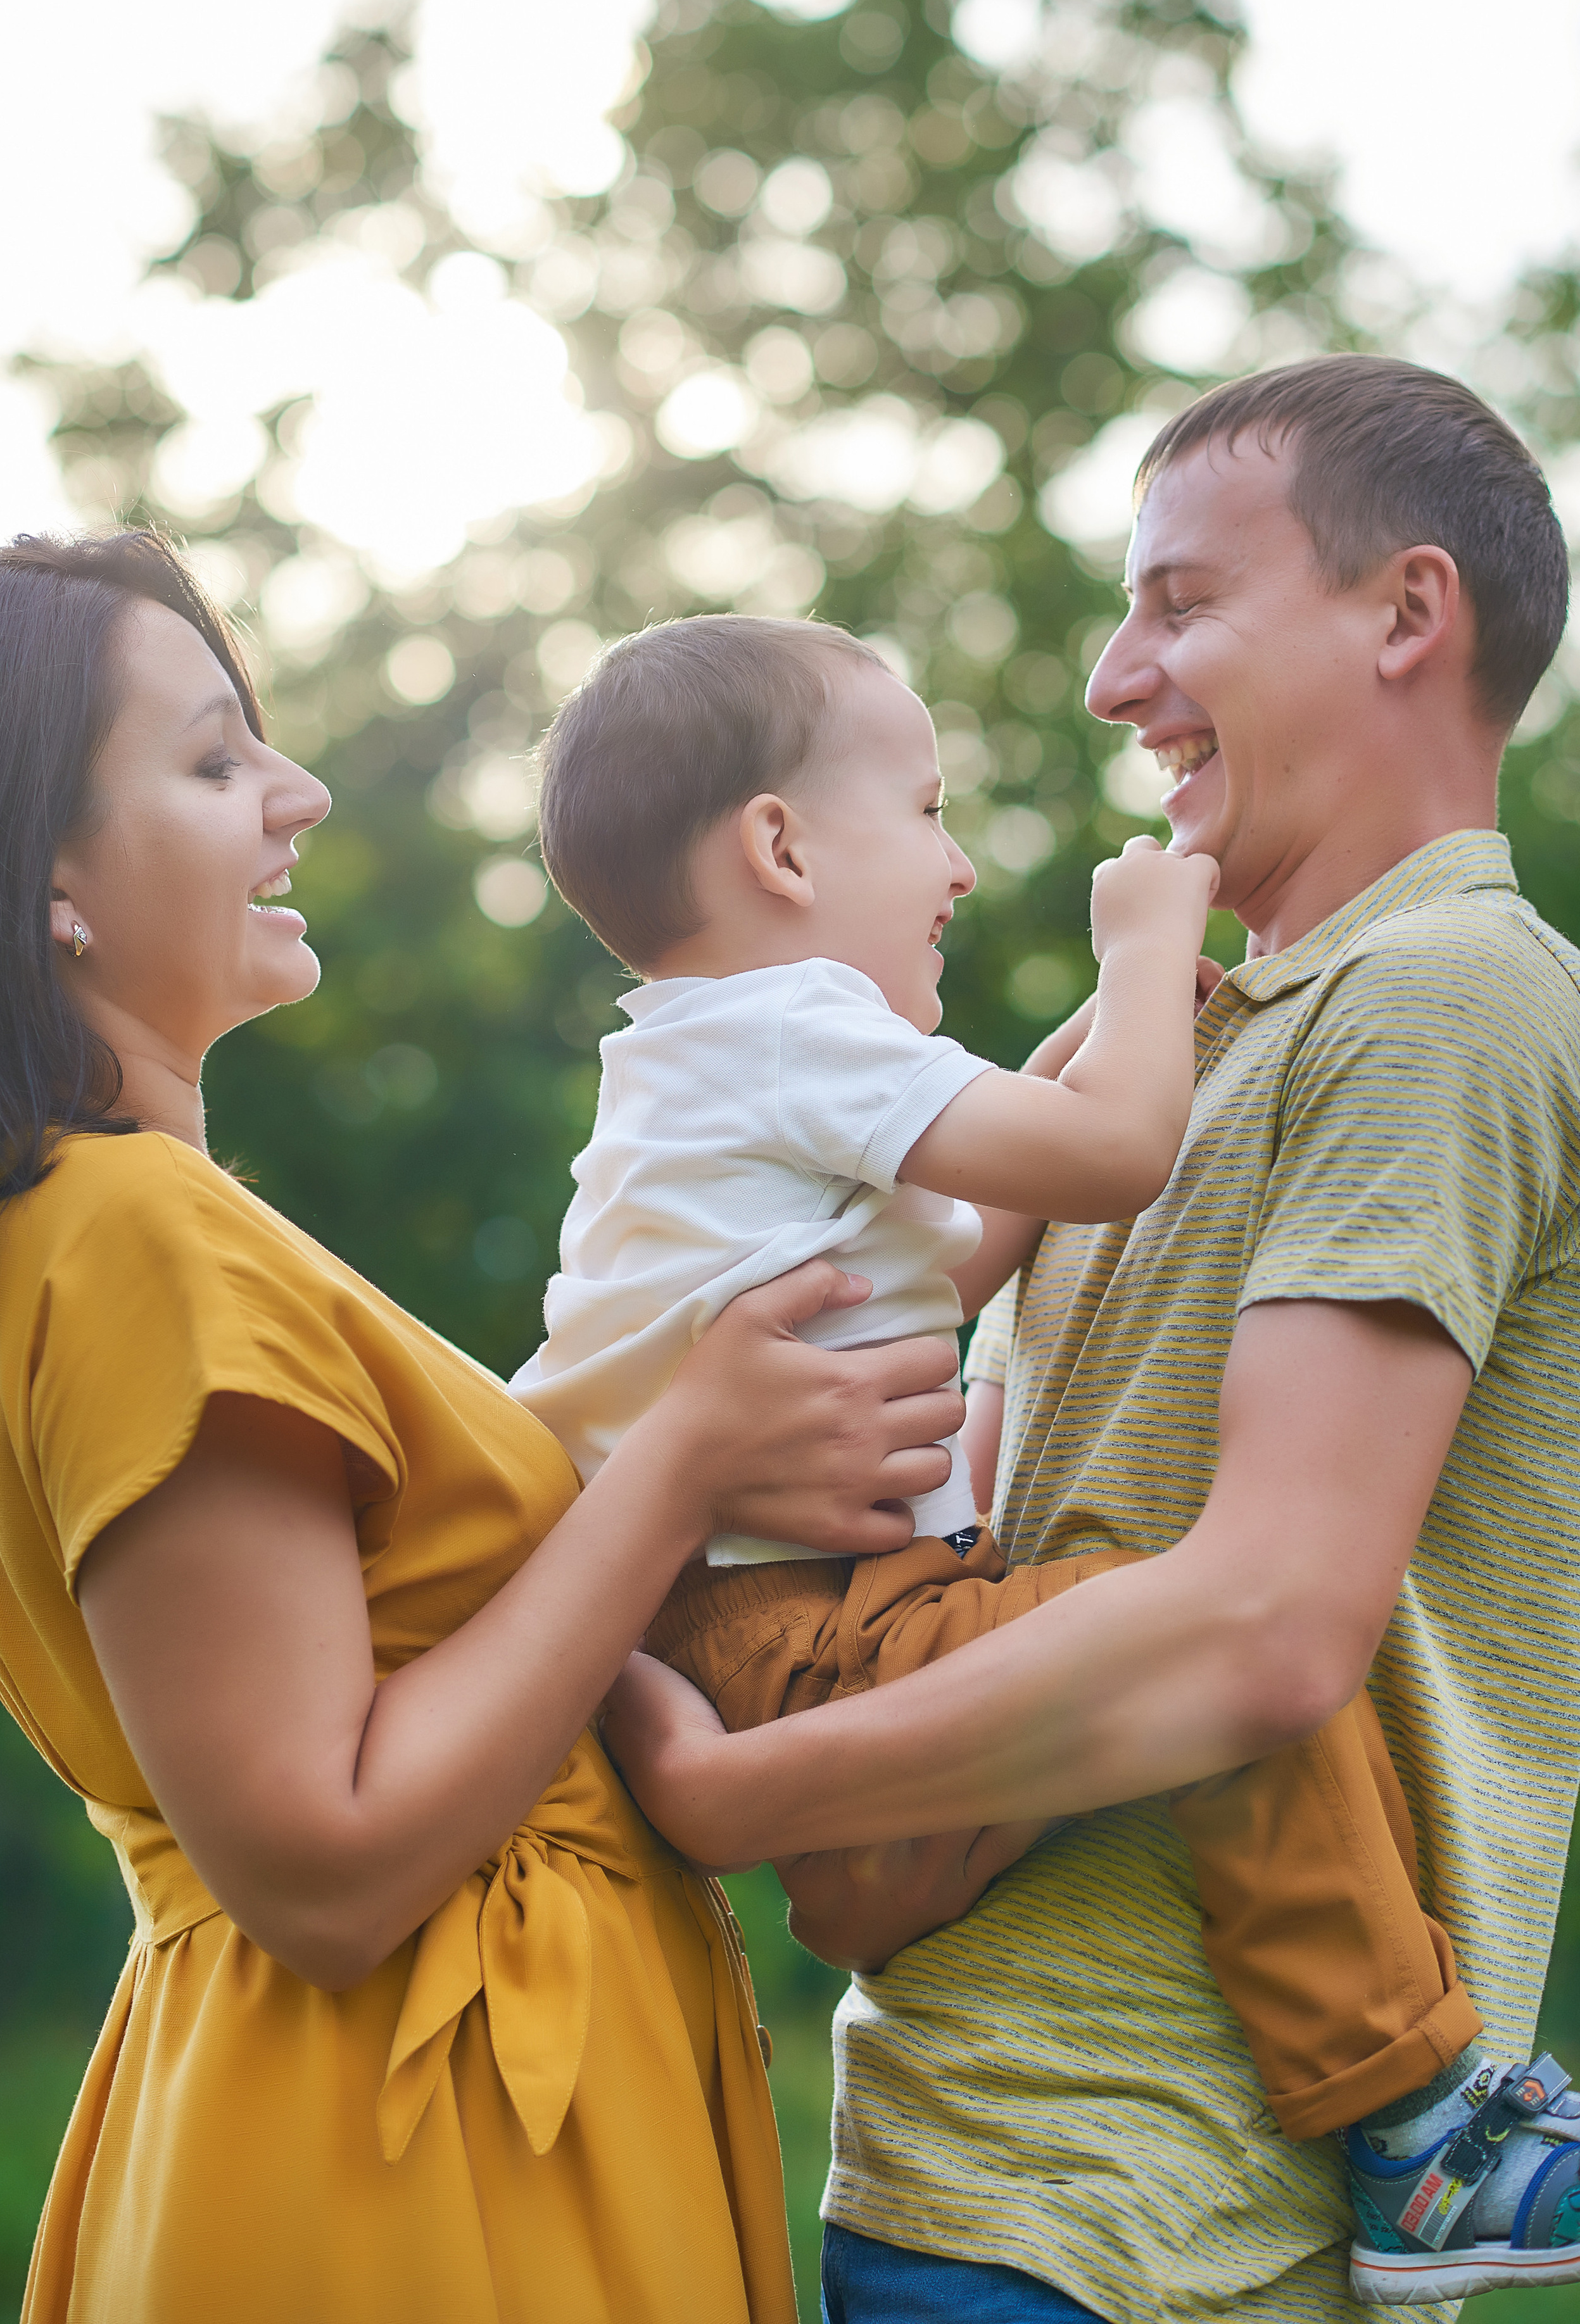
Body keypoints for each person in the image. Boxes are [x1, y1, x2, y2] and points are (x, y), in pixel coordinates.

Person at [602, 357, 1580, 2316]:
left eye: (1183, 604)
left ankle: (1423, 2118)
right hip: (981, 2164)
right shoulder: (1209, 1038)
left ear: (1408, 614)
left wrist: (734, 1792)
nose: (1116, 678)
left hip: (1145, 2208)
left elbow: (1265, 1623)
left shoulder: (1444, 998)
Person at [0, 531, 968, 2324]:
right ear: (46, 876)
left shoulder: (85, 1232)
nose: (301, 789)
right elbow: (323, 1858)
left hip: (427, 2097)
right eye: (211, 761)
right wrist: (682, 1466)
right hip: (418, 2144)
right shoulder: (134, 1232)